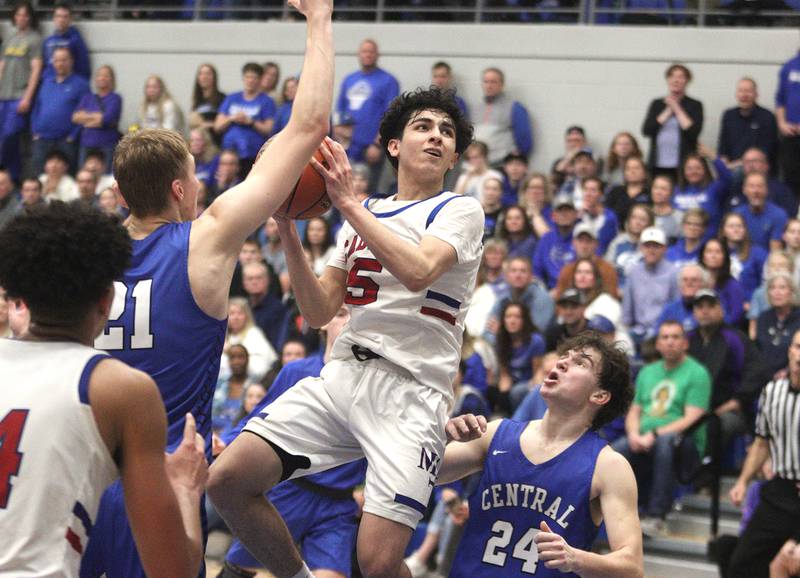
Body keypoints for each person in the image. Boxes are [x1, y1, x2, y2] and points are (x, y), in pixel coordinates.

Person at [80, 0, 334, 575]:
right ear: (179, 189)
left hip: (83, 478)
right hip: (165, 478)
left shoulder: (83, 257)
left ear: (121, 195)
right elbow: (308, 128)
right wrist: (319, 19)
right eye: (195, 175)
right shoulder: (206, 240)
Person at [208, 86, 481, 578]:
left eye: (447, 132)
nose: (437, 136)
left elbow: (419, 270)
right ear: (394, 146)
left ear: (455, 156)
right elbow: (318, 311)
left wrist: (350, 204)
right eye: (423, 126)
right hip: (344, 377)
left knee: (376, 563)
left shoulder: (458, 211)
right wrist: (289, 227)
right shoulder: (362, 215)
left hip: (411, 393)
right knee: (228, 481)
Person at [0, 201, 207, 577]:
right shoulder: (120, 388)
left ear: (19, 296)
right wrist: (186, 489)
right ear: (106, 300)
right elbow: (172, 571)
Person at [440, 332, 643, 577]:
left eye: (581, 362)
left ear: (599, 395)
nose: (562, 362)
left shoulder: (608, 466)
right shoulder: (495, 433)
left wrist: (576, 558)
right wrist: (443, 437)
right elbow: (428, 473)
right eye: (564, 356)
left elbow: (632, 567)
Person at [218, 305, 368, 578]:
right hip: (289, 491)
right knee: (239, 571)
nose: (349, 322)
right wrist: (224, 442)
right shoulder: (297, 371)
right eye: (342, 314)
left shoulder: (373, 384)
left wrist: (370, 489)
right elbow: (256, 418)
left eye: (357, 316)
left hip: (337, 504)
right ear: (322, 323)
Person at [613, 320, 711, 535]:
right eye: (665, 337)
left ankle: (657, 515)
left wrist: (654, 434)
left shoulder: (698, 373)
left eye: (675, 337)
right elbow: (635, 410)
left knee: (665, 443)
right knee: (612, 453)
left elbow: (692, 417)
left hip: (685, 442)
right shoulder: (648, 372)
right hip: (645, 436)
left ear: (685, 343)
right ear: (657, 344)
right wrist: (633, 434)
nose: (670, 342)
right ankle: (610, 517)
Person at [727, 328, 800, 578]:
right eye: (798, 347)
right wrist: (743, 480)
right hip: (780, 489)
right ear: (789, 351)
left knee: (791, 564)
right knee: (741, 564)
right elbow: (761, 442)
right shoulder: (772, 392)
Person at [688, 289, 768, 450]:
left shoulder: (735, 338)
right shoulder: (687, 340)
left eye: (710, 306)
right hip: (690, 408)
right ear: (694, 312)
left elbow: (757, 371)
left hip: (728, 410)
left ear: (720, 310)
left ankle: (707, 473)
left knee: (715, 426)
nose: (705, 311)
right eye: (700, 307)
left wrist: (737, 401)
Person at [336, 38, 400, 164]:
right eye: (364, 51)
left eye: (371, 51)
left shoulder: (389, 81)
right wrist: (338, 142)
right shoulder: (349, 80)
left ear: (378, 55)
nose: (368, 54)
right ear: (358, 54)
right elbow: (339, 112)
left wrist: (377, 144)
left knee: (369, 184)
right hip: (348, 148)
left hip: (371, 148)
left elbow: (391, 116)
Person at [0, 1, 43, 181]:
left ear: (30, 18)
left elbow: (36, 69)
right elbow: (2, 66)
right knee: (7, 139)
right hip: (3, 96)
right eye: (18, 14)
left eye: (25, 15)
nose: (21, 18)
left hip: (19, 97)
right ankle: (11, 177)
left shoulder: (34, 39)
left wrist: (27, 97)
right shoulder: (10, 38)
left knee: (10, 136)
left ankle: (9, 175)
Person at [30, 46, 89, 175]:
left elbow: (86, 112)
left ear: (71, 61)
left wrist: (73, 135)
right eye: (56, 60)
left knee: (68, 178)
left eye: (64, 60)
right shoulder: (46, 82)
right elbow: (36, 107)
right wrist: (34, 130)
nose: (60, 63)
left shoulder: (81, 84)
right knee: (39, 177)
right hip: (42, 139)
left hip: (66, 141)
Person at [642, 63, 704, 178]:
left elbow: (693, 133)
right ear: (668, 79)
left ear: (687, 81)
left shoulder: (695, 105)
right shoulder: (657, 104)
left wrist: (677, 108)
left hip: (683, 165)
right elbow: (647, 130)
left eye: (681, 77)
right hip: (657, 163)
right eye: (672, 76)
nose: (676, 80)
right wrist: (668, 111)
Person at [214, 62, 276, 177]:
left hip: (252, 155)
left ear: (260, 80)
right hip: (229, 153)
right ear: (243, 78)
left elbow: (269, 129)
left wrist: (250, 122)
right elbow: (217, 126)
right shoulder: (231, 98)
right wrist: (232, 118)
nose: (250, 80)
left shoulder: (267, 101)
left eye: (254, 77)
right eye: (248, 77)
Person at [623, 226, 680, 344]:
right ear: (641, 248)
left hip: (663, 332)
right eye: (647, 246)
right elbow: (627, 309)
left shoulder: (673, 272)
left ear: (664, 249)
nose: (651, 250)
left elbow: (676, 306)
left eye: (656, 246)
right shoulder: (634, 272)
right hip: (637, 331)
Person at [472, 66, 532, 167]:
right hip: (477, 165)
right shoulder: (475, 108)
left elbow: (524, 140)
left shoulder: (515, 108)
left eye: (493, 82)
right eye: (486, 82)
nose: (489, 86)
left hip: (501, 165)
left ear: (502, 84)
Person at [717, 77, 778, 171]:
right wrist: (723, 162)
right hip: (731, 167)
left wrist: (735, 165)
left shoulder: (767, 117)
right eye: (741, 91)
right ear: (736, 94)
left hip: (757, 168)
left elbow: (765, 152)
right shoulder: (728, 115)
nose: (744, 95)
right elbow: (723, 147)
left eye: (748, 91)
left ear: (756, 94)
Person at [72, 65, 122, 168]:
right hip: (86, 143)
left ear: (112, 79)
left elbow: (107, 119)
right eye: (99, 75)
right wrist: (97, 117)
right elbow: (75, 117)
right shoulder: (88, 97)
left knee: (105, 177)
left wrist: (86, 119)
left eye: (106, 76)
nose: (102, 78)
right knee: (84, 173)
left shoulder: (115, 98)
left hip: (107, 144)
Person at [554, 222, 618, 299]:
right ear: (573, 243)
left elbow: (612, 300)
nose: (584, 246)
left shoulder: (607, 270)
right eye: (580, 241)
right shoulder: (567, 271)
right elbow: (559, 300)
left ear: (596, 244)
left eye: (588, 241)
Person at [755, 272, 800, 377]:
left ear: (792, 292)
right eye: (772, 288)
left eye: (782, 287)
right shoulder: (763, 318)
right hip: (763, 376)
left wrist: (788, 371)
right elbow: (758, 351)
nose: (777, 292)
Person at [533, 194, 578, 292]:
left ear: (575, 214)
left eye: (568, 210)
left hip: (578, 289)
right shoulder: (546, 239)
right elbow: (537, 271)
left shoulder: (583, 237)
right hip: (550, 291)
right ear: (553, 216)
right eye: (560, 211)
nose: (564, 214)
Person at [733, 172, 788, 252]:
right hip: (741, 260)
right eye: (751, 186)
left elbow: (775, 251)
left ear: (766, 190)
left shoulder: (778, 215)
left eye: (760, 186)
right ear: (744, 190)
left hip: (768, 261)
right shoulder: (736, 215)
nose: (756, 191)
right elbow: (732, 245)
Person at [605, 202, 654, 292]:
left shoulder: (653, 246)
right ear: (629, 220)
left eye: (642, 219)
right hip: (618, 291)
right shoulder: (617, 242)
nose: (637, 222)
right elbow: (608, 270)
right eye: (634, 218)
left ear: (650, 224)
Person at [720, 211, 768, 302]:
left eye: (740, 226)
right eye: (731, 226)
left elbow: (764, 284)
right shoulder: (717, 252)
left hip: (750, 305)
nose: (736, 229)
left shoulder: (758, 253)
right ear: (723, 231)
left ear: (745, 230)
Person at [656, 262, 710, 334]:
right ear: (679, 284)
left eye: (694, 280)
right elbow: (657, 337)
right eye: (685, 280)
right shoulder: (669, 310)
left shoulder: (712, 308)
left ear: (703, 284)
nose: (689, 283)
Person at [42, 2, 90, 81]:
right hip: (49, 85)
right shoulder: (48, 41)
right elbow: (44, 66)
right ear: (54, 18)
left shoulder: (76, 41)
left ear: (70, 19)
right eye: (58, 16)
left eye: (65, 17)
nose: (61, 20)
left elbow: (83, 69)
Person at [775, 49, 800, 199]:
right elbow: (780, 100)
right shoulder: (789, 66)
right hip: (790, 135)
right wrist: (782, 123)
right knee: (790, 179)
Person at [604, 156, 651, 228]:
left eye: (636, 168)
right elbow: (606, 213)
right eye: (628, 169)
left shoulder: (650, 194)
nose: (632, 171)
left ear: (644, 173)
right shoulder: (615, 191)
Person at [189, 63, 226, 142]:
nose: (204, 77)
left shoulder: (222, 98)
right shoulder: (196, 99)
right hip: (199, 139)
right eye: (201, 74)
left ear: (214, 77)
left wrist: (209, 124)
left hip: (215, 140)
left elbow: (224, 122)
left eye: (208, 74)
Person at [518, 172, 553, 238]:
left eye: (539, 188)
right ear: (524, 191)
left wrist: (536, 215)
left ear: (546, 192)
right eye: (532, 187)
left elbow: (548, 239)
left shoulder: (552, 213)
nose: (535, 191)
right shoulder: (517, 211)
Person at [651, 173, 683, 243]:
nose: (658, 192)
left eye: (663, 189)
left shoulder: (680, 217)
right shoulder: (645, 214)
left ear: (671, 192)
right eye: (655, 188)